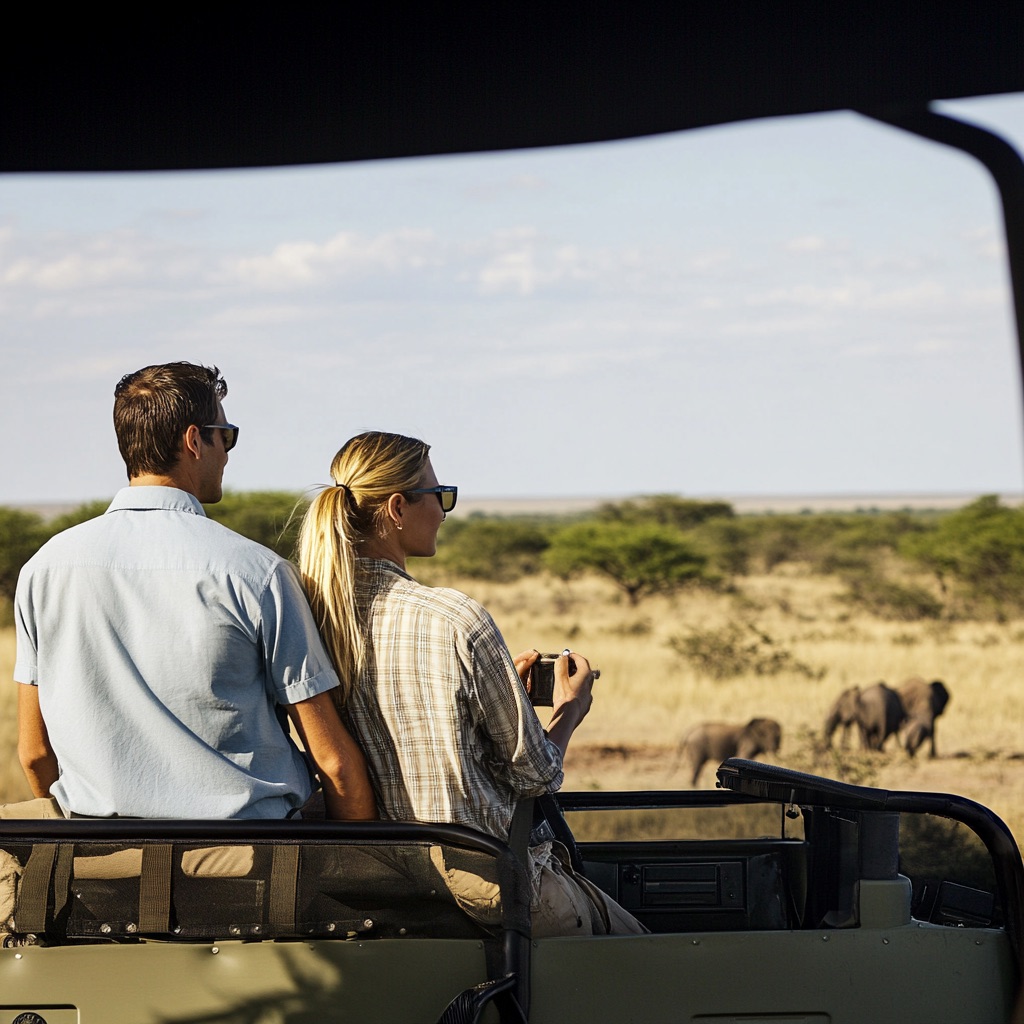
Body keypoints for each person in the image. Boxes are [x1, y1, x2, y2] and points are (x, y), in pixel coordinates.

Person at [296, 430, 644, 935]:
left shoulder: (310, 614)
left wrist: (504, 704)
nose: (444, 510)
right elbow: (535, 776)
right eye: (441, 496)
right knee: (658, 971)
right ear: (397, 507)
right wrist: (569, 710)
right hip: (485, 881)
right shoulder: (455, 617)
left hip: (389, 881)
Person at [12, 362, 376, 821]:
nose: (228, 451)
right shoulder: (256, 572)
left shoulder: (43, 569)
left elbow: (34, 754)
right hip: (250, 864)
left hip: (100, 863)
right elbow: (334, 762)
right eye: (226, 435)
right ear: (192, 441)